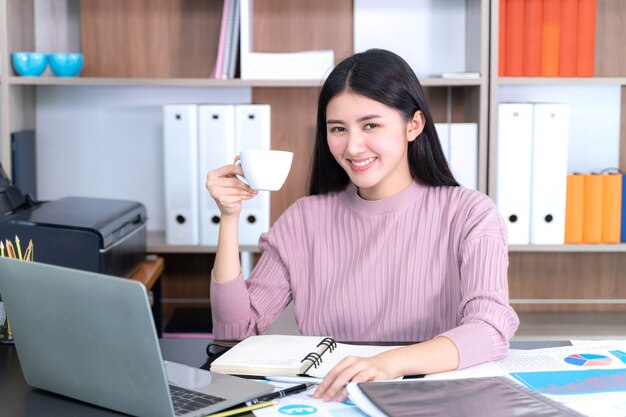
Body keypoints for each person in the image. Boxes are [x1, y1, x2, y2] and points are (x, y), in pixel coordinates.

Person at [205, 48, 519, 401]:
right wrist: (228, 218)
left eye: (371, 125)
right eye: (338, 128)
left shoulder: (470, 214)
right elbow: (235, 333)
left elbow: (490, 329)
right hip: (330, 399)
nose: (353, 147)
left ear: (413, 125)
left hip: (433, 397)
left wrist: (389, 363)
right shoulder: (304, 218)